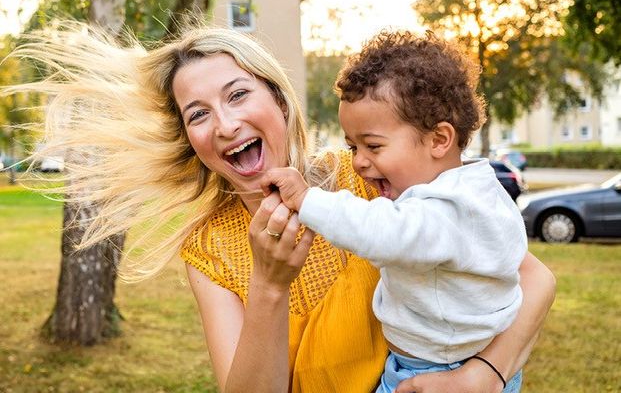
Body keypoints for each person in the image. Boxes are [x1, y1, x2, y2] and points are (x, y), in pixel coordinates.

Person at [7, 22, 555, 393]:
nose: (224, 124)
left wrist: (482, 375)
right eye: (197, 114)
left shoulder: (366, 180)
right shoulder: (211, 251)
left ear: (278, 98)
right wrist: (269, 285)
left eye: (238, 95)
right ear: (190, 138)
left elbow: (530, 277)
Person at [262, 30, 527, 392]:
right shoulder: (479, 189)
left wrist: (307, 199)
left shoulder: (446, 211)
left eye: (373, 146)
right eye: (352, 146)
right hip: (444, 359)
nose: (358, 162)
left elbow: (381, 232)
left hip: (441, 371)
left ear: (439, 140)